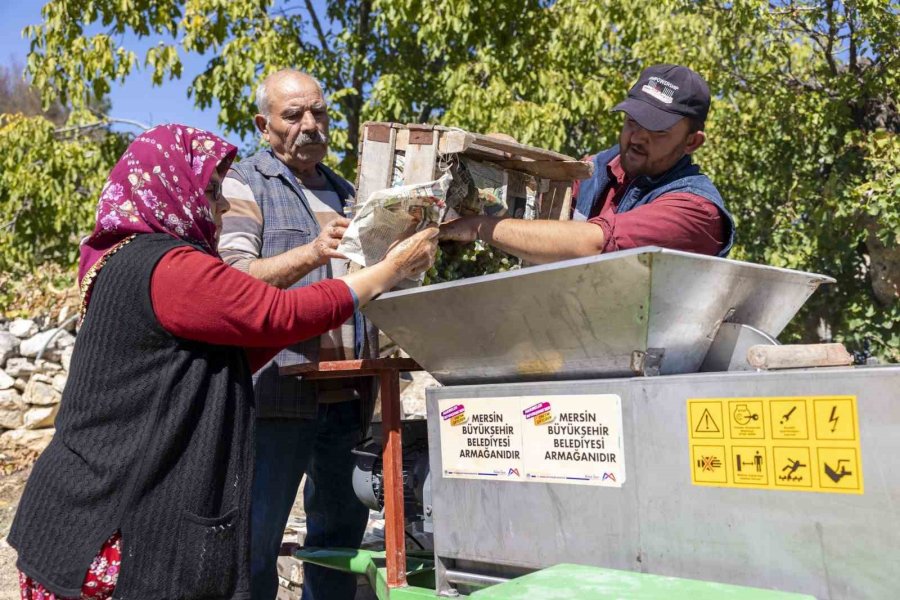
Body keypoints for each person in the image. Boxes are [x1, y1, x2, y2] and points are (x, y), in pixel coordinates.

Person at [8, 124, 438, 600]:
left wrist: (289, 318)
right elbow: (276, 313)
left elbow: (240, 342)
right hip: (107, 524)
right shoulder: (169, 267)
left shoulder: (124, 258)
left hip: (84, 505)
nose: (221, 205)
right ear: (168, 186)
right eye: (210, 190)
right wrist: (387, 272)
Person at [217, 69, 377, 600]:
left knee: (337, 545)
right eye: (293, 115)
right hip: (276, 396)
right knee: (253, 547)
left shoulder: (350, 192)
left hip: (351, 396)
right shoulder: (244, 184)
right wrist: (312, 250)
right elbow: (233, 279)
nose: (311, 124)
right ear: (264, 126)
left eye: (319, 112)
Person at [440, 64, 736, 261]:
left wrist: (479, 226)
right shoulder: (601, 167)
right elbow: (544, 205)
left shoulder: (696, 211)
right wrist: (511, 165)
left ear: (691, 143)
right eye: (633, 122)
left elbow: (593, 243)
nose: (637, 138)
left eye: (657, 131)